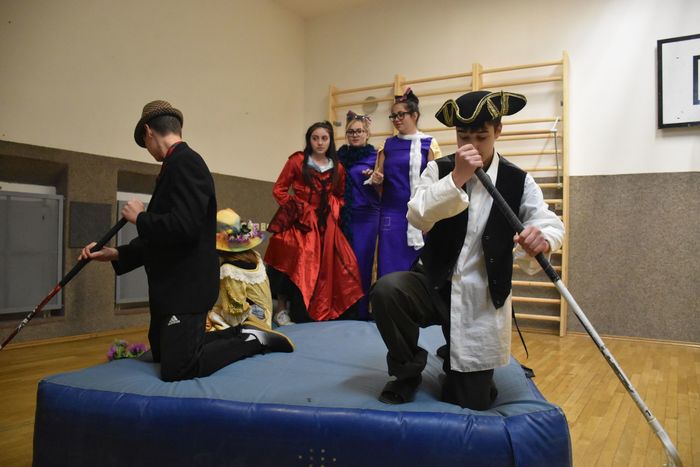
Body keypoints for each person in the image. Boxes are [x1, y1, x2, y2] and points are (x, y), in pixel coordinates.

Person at [370, 90, 565, 410]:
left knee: (470, 400)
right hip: (434, 283)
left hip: (480, 296)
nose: (471, 145)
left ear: (498, 131)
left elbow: (548, 222)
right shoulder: (439, 170)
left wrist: (541, 238)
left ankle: (460, 366)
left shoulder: (518, 180)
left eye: (481, 136)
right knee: (388, 291)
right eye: (463, 136)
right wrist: (456, 179)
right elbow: (417, 214)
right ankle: (407, 372)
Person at [80, 100, 291, 382]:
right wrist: (116, 253)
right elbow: (163, 238)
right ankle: (236, 333)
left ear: (149, 132)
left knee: (179, 368)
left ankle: (252, 339)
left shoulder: (186, 162)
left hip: (186, 288)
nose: (148, 151)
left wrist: (141, 218)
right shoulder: (173, 165)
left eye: (145, 143)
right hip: (168, 289)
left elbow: (185, 227)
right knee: (162, 353)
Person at [265, 121, 363, 324]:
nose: (319, 142)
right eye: (315, 138)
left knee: (343, 262)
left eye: (324, 138)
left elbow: (341, 195)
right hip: (301, 221)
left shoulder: (338, 168)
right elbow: (279, 189)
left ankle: (320, 307)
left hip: (327, 225)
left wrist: (333, 208)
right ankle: (281, 308)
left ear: (330, 141)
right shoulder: (297, 161)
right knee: (291, 253)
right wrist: (299, 207)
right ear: (309, 140)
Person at [368, 88, 441, 278]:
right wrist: (376, 180)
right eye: (393, 116)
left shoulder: (429, 144)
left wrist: (431, 218)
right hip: (391, 215)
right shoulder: (387, 145)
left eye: (401, 114)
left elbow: (435, 184)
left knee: (417, 269)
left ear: (414, 115)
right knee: (388, 267)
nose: (397, 119)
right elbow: (379, 182)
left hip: (420, 214)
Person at [337, 111, 380, 320]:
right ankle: (344, 308)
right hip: (343, 215)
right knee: (343, 264)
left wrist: (375, 178)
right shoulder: (339, 156)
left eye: (359, 131)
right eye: (351, 132)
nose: (355, 135)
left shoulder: (376, 156)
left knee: (362, 263)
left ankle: (362, 310)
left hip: (367, 216)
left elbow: (386, 185)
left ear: (367, 134)